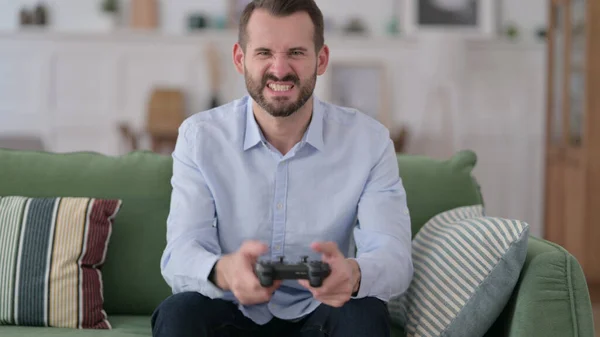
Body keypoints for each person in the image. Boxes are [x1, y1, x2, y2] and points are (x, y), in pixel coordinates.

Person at [151, 0, 413, 336]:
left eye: (296, 53)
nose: (279, 69)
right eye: (264, 53)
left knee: (365, 313)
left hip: (323, 312)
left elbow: (394, 257)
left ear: (321, 59)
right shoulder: (199, 138)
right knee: (179, 312)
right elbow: (181, 252)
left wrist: (354, 273)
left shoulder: (369, 141)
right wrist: (224, 271)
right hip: (232, 309)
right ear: (239, 58)